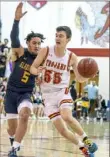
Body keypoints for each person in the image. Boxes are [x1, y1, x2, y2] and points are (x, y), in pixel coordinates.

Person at [30, 26, 98, 157]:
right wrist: (36, 71)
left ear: (68, 39)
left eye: (61, 36)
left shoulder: (72, 57)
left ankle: (86, 139)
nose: (57, 38)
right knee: (62, 130)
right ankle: (83, 149)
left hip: (62, 91)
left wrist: (89, 75)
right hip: (47, 96)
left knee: (67, 116)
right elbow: (33, 67)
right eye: (56, 35)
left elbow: (79, 78)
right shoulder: (46, 50)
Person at [4, 2, 45, 157]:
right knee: (11, 129)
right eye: (34, 43)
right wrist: (16, 20)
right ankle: (13, 140)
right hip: (11, 92)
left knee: (26, 114)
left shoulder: (42, 59)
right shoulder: (22, 53)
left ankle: (14, 148)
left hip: (25, 93)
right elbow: (14, 38)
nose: (37, 46)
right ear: (28, 43)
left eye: (39, 43)